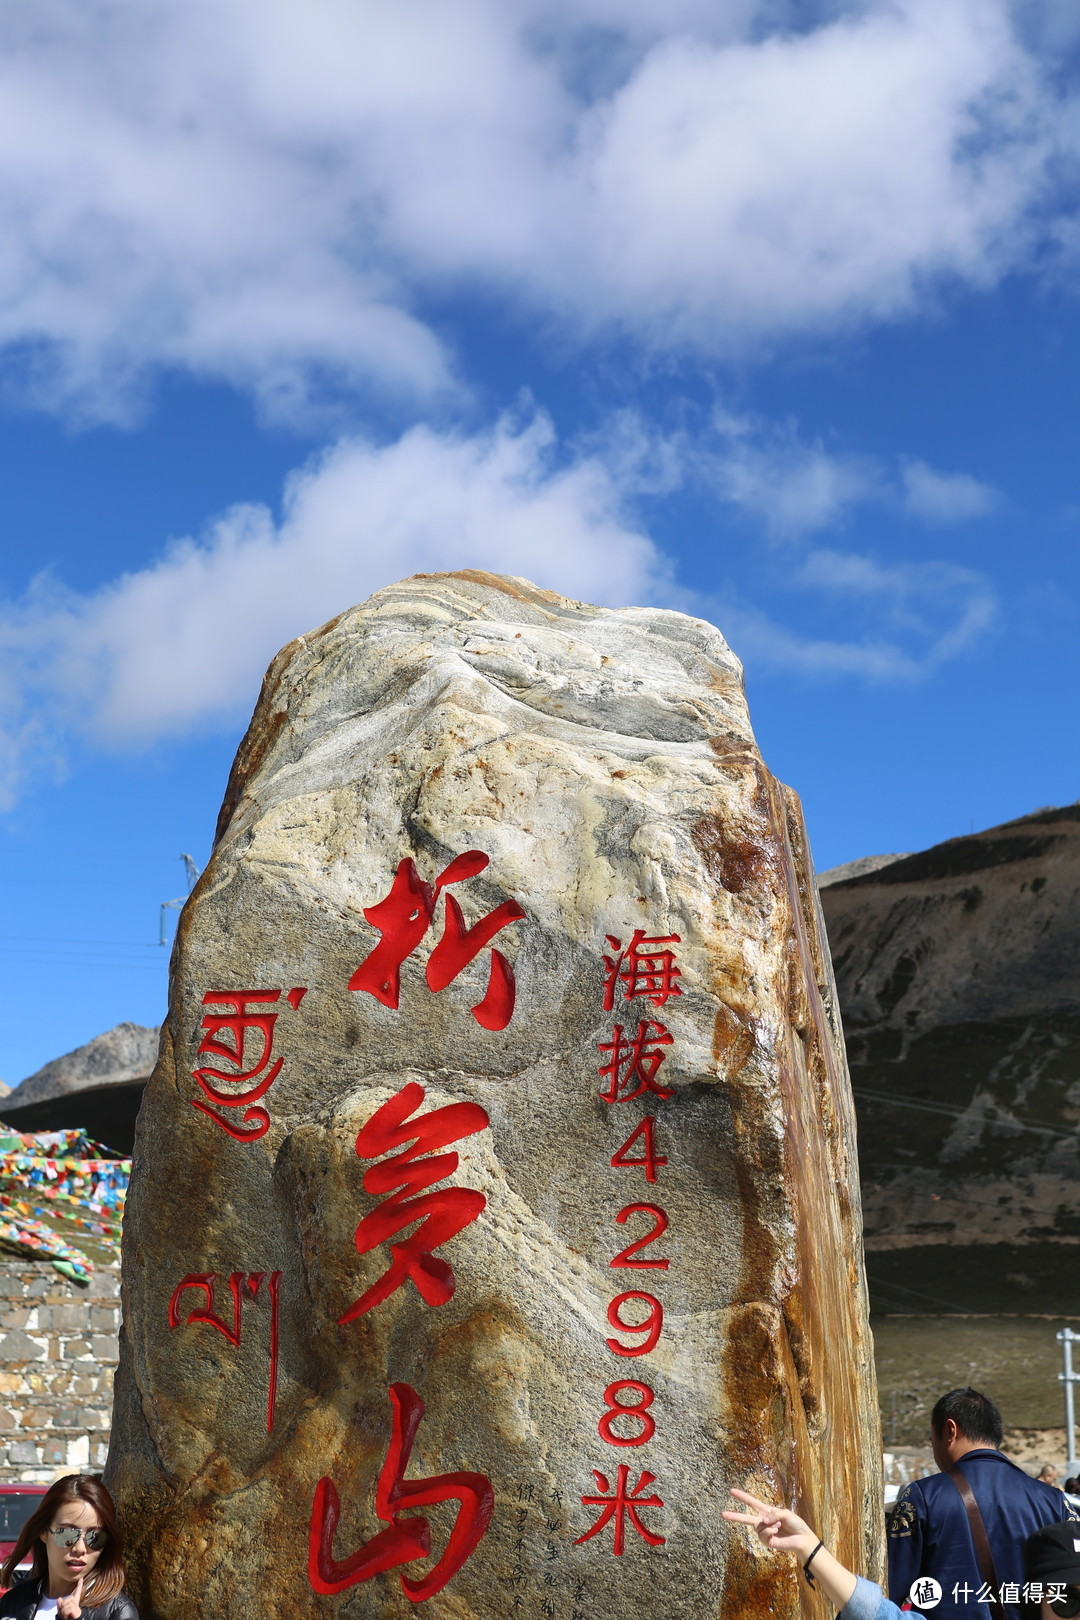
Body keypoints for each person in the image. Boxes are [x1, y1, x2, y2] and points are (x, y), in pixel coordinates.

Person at [723, 1486, 1080, 1620]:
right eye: (1068, 1603)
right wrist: (808, 1547)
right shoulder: (1051, 1500)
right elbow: (877, 1613)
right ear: (1039, 1599)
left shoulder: (927, 1494)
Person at [888, 1387, 1076, 1618]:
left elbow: (890, 1593)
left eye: (931, 1440)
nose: (933, 1448)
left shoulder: (922, 1496)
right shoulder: (1055, 1502)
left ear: (949, 1430)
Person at [0, 1474, 138, 1619]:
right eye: (66, 1534)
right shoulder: (13, 1602)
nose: (80, 1548)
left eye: (95, 1537)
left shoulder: (118, 1611)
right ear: (43, 1533)